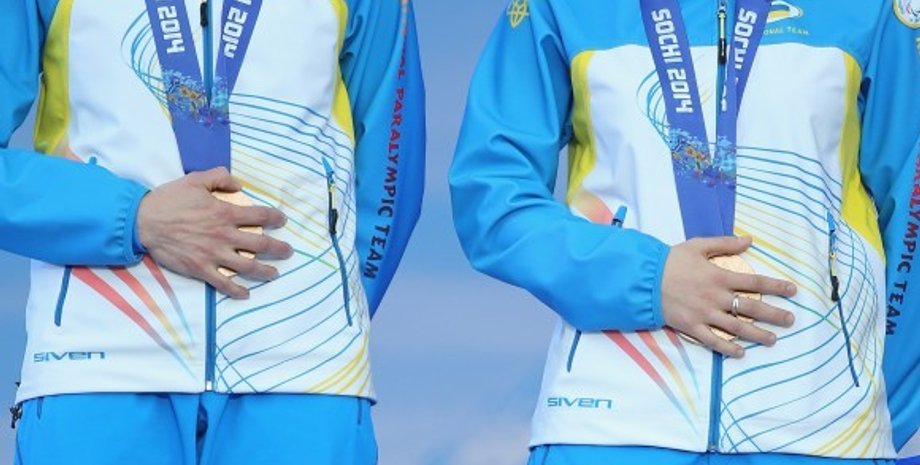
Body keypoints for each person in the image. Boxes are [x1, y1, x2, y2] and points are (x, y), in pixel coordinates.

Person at [451, 0, 918, 464]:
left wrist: (861, 410)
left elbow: (912, 207)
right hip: (609, 426)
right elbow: (491, 195)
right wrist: (646, 280)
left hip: (820, 435)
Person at [1, 0, 424, 463]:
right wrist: (135, 217)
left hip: (305, 371)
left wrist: (323, 314)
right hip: (95, 364)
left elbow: (391, 174)